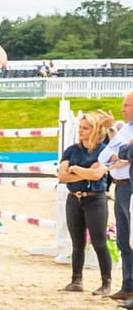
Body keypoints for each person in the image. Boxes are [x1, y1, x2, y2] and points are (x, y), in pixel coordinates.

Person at [57, 110, 113, 294]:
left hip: (95, 199)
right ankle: (76, 280)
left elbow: (97, 175)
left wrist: (75, 169)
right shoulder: (72, 150)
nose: (81, 131)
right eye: (80, 128)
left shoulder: (103, 150)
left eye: (86, 128)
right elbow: (63, 176)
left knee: (99, 241)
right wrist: (84, 171)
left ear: (95, 130)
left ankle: (106, 283)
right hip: (74, 198)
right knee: (77, 242)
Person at [98, 94, 133, 300]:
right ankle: (128, 284)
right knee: (123, 239)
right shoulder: (126, 129)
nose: (123, 109)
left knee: (131, 237)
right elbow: (107, 156)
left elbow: (124, 153)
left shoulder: (122, 130)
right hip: (120, 186)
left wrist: (112, 131)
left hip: (130, 186)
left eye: (127, 105)